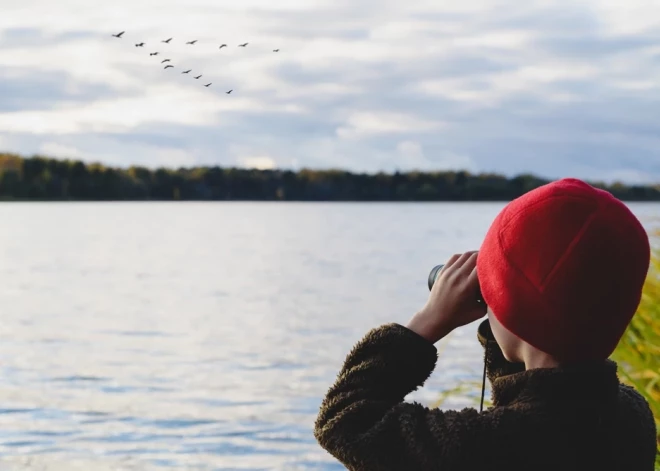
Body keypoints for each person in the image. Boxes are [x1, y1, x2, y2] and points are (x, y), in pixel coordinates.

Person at [314, 178, 658, 471]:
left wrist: (429, 320)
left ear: (511, 308)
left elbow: (344, 420)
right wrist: (511, 310)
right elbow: (540, 396)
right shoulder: (632, 416)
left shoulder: (483, 445)